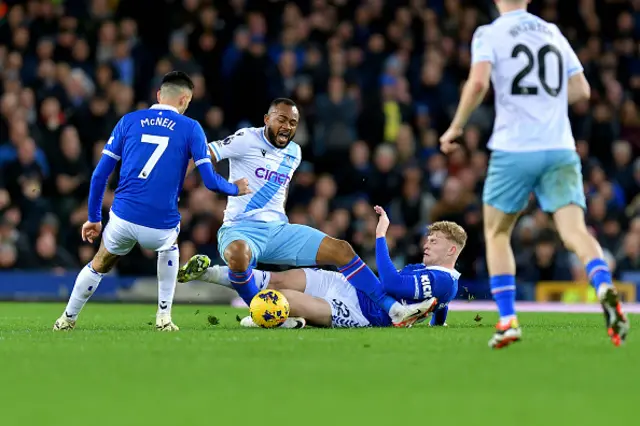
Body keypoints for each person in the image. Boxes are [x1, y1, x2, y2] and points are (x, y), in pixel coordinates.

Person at [439, 0, 629, 348]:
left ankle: (508, 320)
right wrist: (548, 103)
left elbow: (478, 83)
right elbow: (582, 90)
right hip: (560, 147)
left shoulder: (490, 33)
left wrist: (455, 127)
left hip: (514, 147)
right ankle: (604, 286)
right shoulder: (552, 33)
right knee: (574, 231)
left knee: (498, 232)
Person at [204, 98, 436, 327]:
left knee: (341, 249)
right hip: (240, 228)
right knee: (239, 255)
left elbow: (278, 193)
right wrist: (226, 187)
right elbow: (205, 154)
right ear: (267, 119)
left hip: (277, 231)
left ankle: (394, 309)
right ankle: (258, 313)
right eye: (281, 119)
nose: (287, 126)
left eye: (293, 122)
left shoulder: (294, 153)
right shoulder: (246, 138)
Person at [53, 71, 249, 332]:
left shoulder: (129, 121)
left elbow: (100, 174)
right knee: (170, 247)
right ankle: (164, 316)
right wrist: (234, 188)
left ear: (158, 95)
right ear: (184, 100)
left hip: (123, 217)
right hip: (160, 224)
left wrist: (93, 217)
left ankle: (67, 318)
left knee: (99, 263)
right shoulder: (191, 128)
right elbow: (211, 182)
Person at [177, 208, 464, 329]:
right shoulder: (439, 281)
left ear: (452, 250)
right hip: (353, 285)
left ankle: (266, 316)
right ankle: (210, 274)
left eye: (435, 241)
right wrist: (440, 324)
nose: (427, 244)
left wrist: (380, 236)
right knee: (277, 280)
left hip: (363, 312)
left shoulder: (442, 280)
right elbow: (439, 303)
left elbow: (391, 282)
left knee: (283, 298)